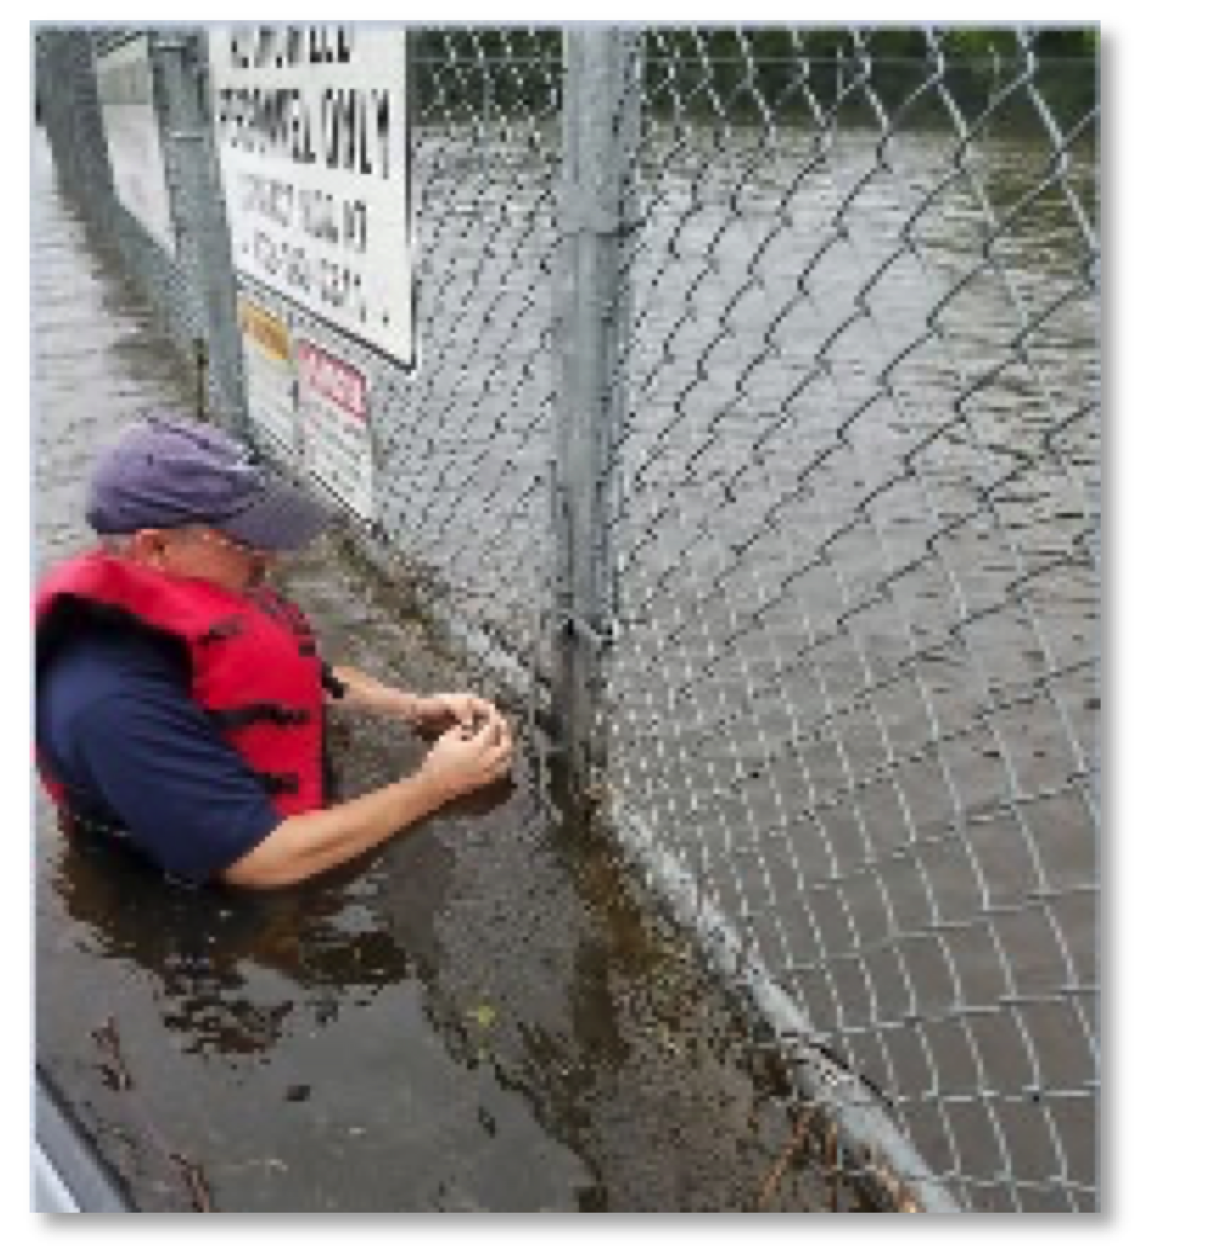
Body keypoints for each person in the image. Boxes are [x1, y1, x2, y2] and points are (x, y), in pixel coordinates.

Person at [34, 413, 514, 890]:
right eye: (244, 539)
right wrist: (433, 787)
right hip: (184, 896)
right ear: (155, 548)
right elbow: (260, 862)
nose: (272, 555)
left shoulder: (193, 595)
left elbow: (305, 679)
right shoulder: (110, 700)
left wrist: (412, 708)